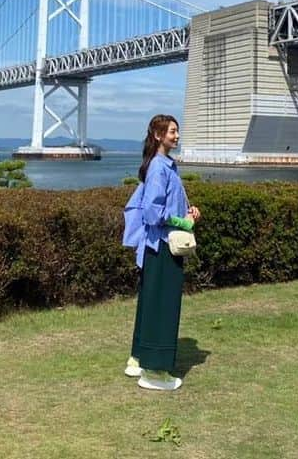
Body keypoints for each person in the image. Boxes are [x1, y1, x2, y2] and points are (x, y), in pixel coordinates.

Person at [121, 114, 201, 391]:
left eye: (177, 131)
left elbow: (164, 205)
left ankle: (138, 359)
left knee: (150, 304)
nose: (176, 136)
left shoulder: (164, 166)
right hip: (163, 247)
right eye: (171, 132)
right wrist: (183, 222)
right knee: (163, 306)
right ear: (157, 135)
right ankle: (154, 373)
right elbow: (153, 213)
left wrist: (186, 213)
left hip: (156, 246)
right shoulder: (159, 167)